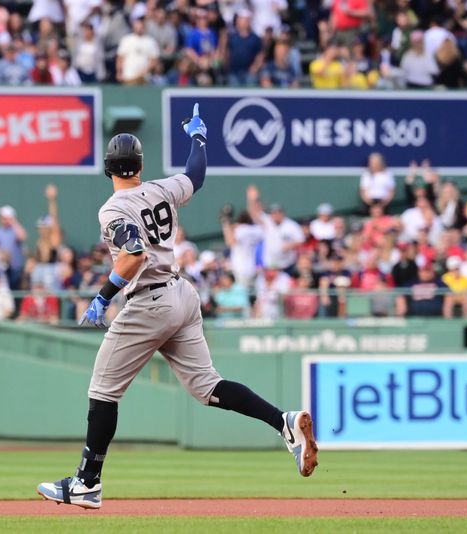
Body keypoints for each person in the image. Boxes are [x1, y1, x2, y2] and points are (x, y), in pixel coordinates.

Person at [37, 104, 319, 510]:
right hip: (182, 295)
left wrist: (102, 296)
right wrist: (198, 137)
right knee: (207, 386)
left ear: (108, 169)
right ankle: (283, 422)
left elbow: (133, 254)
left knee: (103, 390)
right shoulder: (162, 189)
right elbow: (196, 174)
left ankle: (86, 483)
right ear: (139, 164)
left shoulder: (113, 209)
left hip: (149, 299)